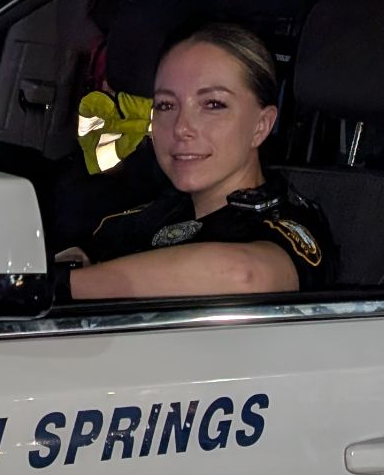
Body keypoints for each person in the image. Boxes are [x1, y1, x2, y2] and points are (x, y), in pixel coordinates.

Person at [53, 23, 336, 301]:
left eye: (213, 104)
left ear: (260, 126)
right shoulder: (142, 212)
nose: (181, 127)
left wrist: (61, 286)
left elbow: (244, 275)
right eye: (166, 105)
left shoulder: (287, 226)